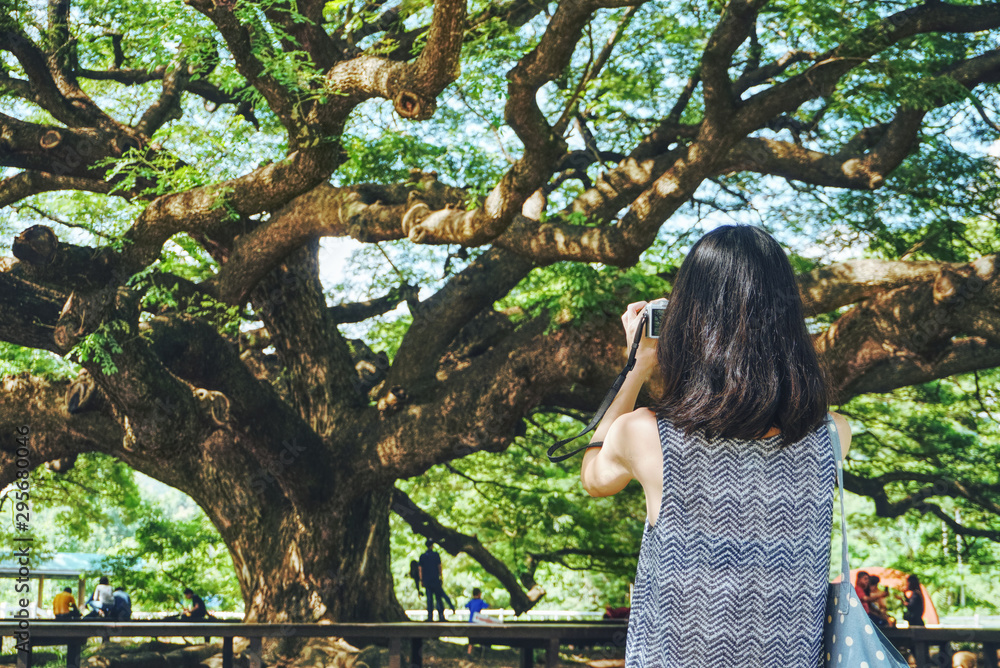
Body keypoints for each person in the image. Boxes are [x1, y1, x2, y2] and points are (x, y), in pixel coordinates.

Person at [579, 225, 850, 668]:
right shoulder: (834, 434)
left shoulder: (645, 433)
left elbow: (595, 478)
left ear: (688, 319)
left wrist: (637, 365)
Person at [418, 539, 455, 621]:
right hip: (435, 580)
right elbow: (439, 566)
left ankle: (430, 617)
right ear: (432, 545)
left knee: (429, 599)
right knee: (438, 599)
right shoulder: (436, 555)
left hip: (427, 580)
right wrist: (441, 576)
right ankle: (441, 616)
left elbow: (420, 568)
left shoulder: (422, 556)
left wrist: (421, 579)